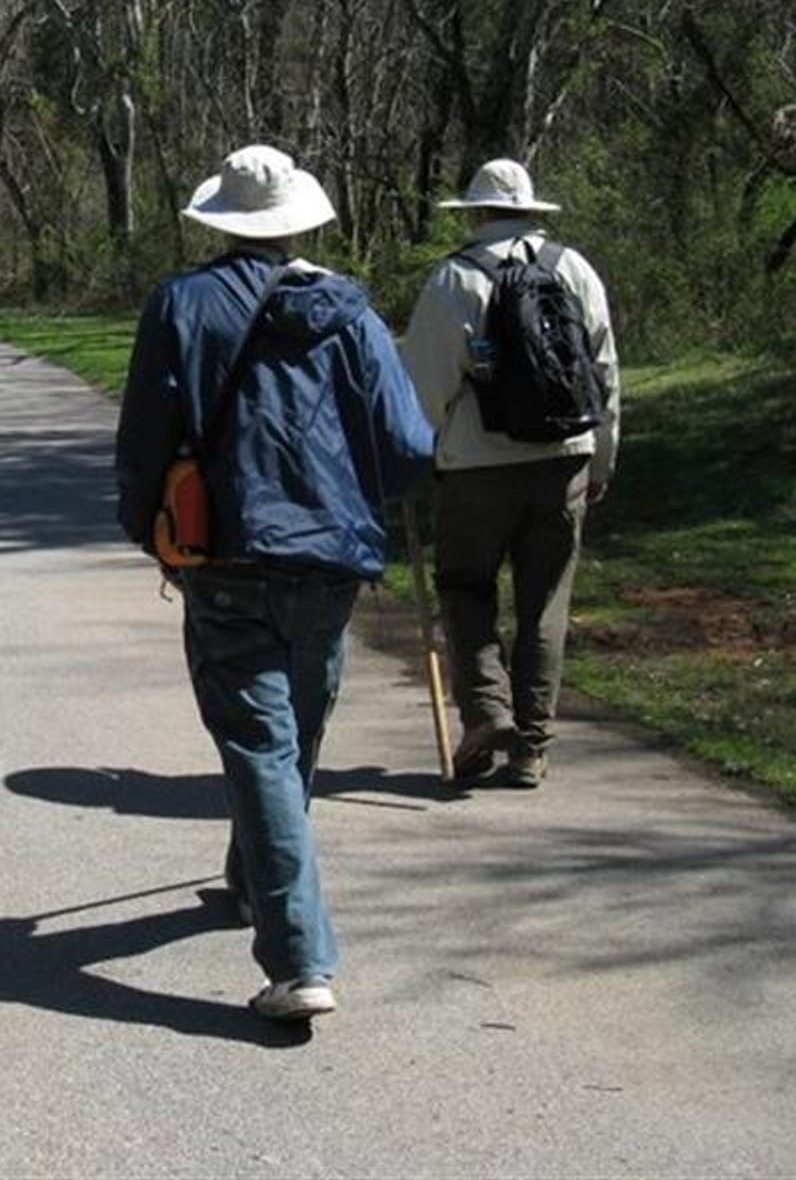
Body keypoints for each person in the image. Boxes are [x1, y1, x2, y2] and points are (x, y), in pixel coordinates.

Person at [116, 144, 433, 1023]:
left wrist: (149, 530)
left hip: (227, 555)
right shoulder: (353, 313)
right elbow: (407, 448)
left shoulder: (181, 305)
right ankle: (254, 880)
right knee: (287, 735)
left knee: (261, 744)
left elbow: (146, 438)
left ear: (223, 222)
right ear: (301, 218)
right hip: (331, 560)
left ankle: (300, 962)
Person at [402, 158, 618, 790]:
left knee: (465, 587)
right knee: (544, 603)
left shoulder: (452, 279)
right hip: (564, 457)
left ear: (474, 214)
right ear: (530, 210)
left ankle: (488, 713)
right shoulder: (573, 269)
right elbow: (604, 374)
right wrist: (600, 457)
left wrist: (426, 450)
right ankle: (532, 748)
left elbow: (426, 387)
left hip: (475, 464)